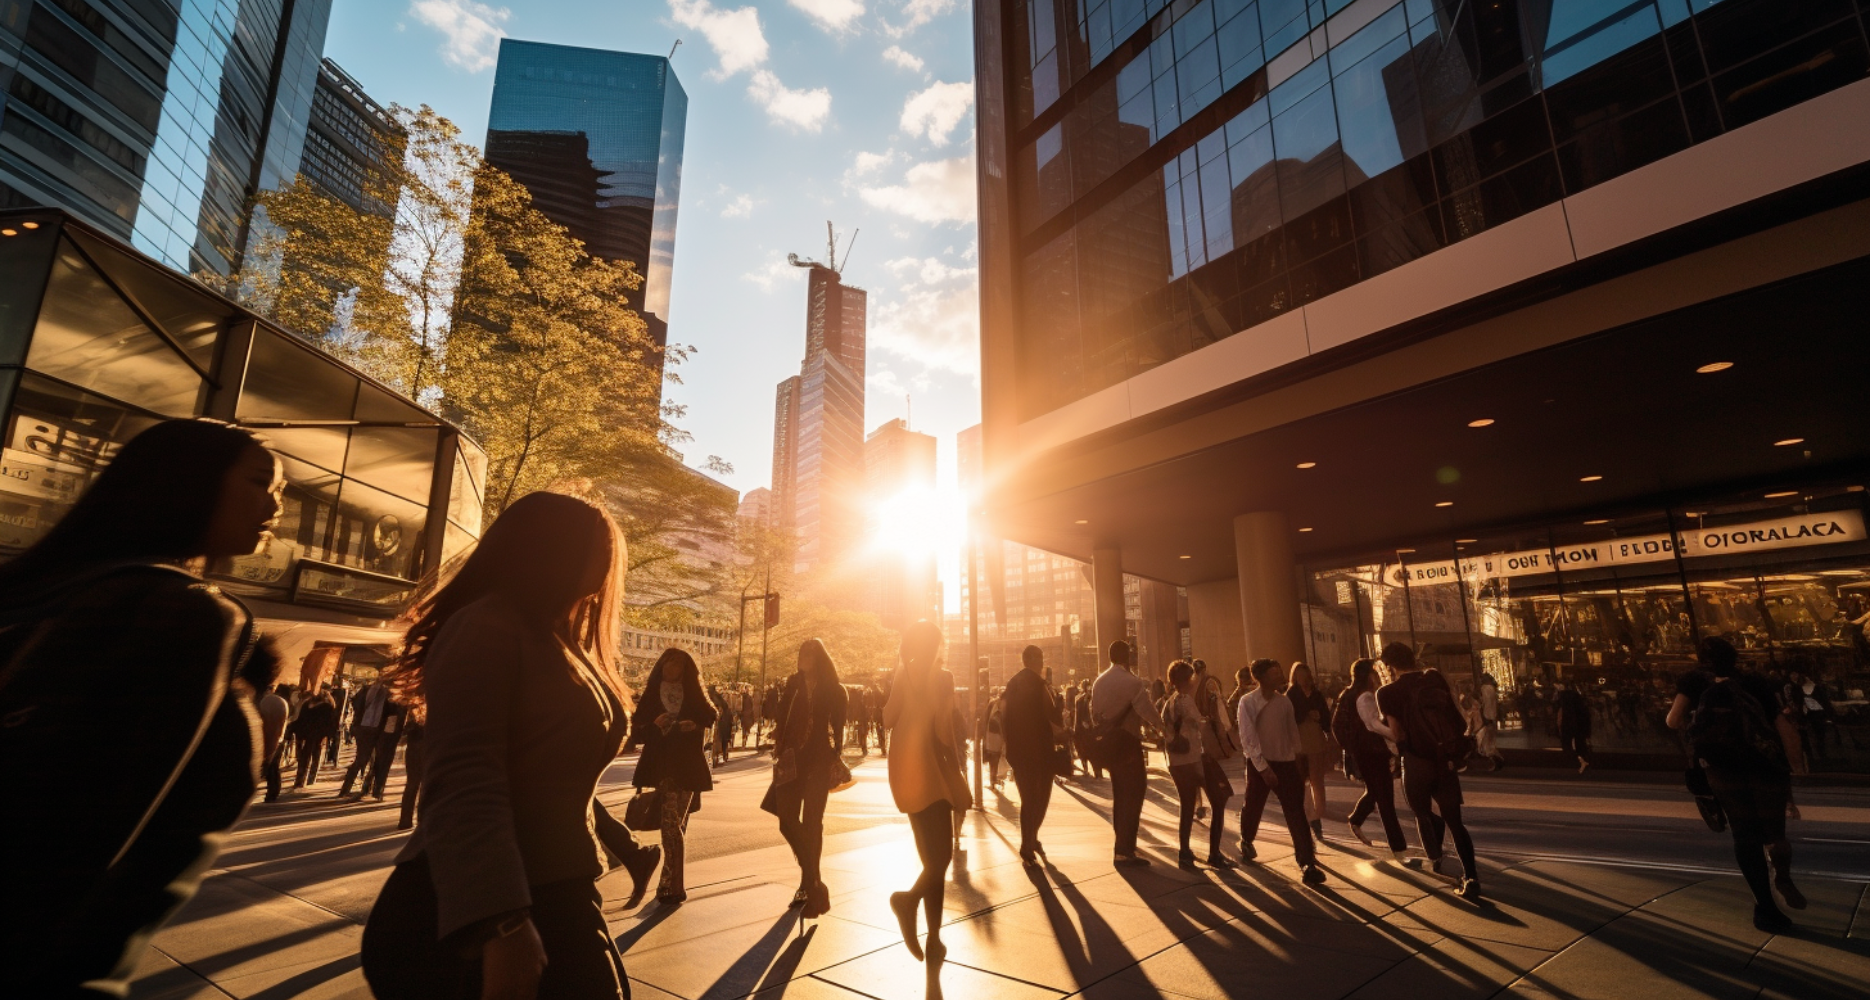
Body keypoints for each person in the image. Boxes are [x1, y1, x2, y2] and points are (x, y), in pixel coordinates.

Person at [0, 419, 283, 996]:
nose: (275, 504)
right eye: (260, 481)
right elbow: (104, 838)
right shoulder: (185, 610)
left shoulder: (40, 589)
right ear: (188, 482)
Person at [361, 492, 633, 1000]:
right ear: (548, 549)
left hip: (559, 890)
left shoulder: (560, 640)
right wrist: (501, 925)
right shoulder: (488, 625)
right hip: (484, 908)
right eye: (597, 545)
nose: (610, 559)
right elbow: (465, 782)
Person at [1667, 637, 1803, 933]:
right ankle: (1781, 872)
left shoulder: (1693, 680)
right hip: (1763, 766)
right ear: (1736, 656)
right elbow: (1781, 726)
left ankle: (1765, 909)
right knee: (1774, 832)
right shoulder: (1755, 681)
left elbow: (1672, 719)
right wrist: (1795, 766)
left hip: (1722, 768)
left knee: (1744, 836)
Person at [883, 620, 970, 965]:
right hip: (932, 767)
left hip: (904, 768)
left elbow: (888, 718)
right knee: (942, 857)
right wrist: (957, 772)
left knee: (931, 859)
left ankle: (934, 938)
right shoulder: (943, 677)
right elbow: (944, 730)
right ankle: (908, 902)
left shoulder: (904, 673)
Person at [1377, 642, 1480, 900]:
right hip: (1444, 759)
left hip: (1416, 760)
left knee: (1422, 813)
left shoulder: (1387, 692)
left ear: (1390, 666)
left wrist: (1377, 730)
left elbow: (1397, 732)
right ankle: (1471, 877)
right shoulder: (1434, 678)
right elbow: (1455, 717)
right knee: (1455, 821)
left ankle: (1435, 860)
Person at [765, 638, 847, 918]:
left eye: (811, 653)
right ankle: (814, 879)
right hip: (791, 760)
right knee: (786, 821)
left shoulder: (835, 690)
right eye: (802, 652)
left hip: (819, 763)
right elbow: (779, 716)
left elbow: (838, 731)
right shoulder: (792, 685)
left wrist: (835, 756)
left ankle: (807, 886)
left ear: (820, 658)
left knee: (813, 823)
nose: (804, 657)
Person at [633, 648, 717, 905]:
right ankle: (673, 886)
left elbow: (710, 715)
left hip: (688, 766)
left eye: (679, 664)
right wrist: (655, 725)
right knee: (671, 826)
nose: (673, 668)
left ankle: (669, 882)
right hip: (663, 767)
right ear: (661, 665)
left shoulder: (692, 691)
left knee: (675, 826)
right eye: (669, 662)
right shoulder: (652, 692)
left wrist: (694, 724)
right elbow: (639, 730)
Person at [1236, 659, 1324, 885]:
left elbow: (1292, 732)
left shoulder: (1284, 702)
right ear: (1261, 677)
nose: (1280, 676)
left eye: (1279, 672)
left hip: (1286, 763)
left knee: (1295, 811)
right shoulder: (1248, 702)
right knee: (1254, 804)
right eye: (1274, 673)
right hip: (1260, 764)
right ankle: (1246, 838)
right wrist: (1263, 768)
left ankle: (1307, 863)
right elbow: (1248, 738)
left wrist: (1297, 759)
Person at [1091, 640, 1166, 867]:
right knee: (1134, 793)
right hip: (1128, 743)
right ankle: (1124, 850)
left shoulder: (1099, 682)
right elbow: (1147, 711)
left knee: (1119, 793)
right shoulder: (1132, 682)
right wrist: (1165, 729)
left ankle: (1121, 844)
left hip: (1108, 745)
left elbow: (1096, 715)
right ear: (1128, 657)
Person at [1336, 659, 1407, 858]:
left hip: (1375, 751)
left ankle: (1357, 819)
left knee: (1378, 792)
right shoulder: (1356, 696)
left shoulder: (1360, 695)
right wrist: (1352, 749)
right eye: (1374, 673)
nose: (1378, 676)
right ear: (1366, 675)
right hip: (1367, 753)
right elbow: (1339, 726)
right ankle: (1398, 846)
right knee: (1384, 797)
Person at [1002, 645, 1062, 867]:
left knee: (1028, 798)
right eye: (1040, 658)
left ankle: (1031, 840)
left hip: (1018, 750)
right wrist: (1063, 731)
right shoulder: (1039, 684)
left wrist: (1008, 743)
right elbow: (1052, 713)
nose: (1041, 662)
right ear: (1033, 660)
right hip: (1040, 749)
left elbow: (1003, 713)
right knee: (1040, 798)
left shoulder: (1012, 683)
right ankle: (1027, 845)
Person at [1288, 662, 1331, 840]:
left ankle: (1318, 815)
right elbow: (1289, 718)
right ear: (1295, 677)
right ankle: (1307, 815)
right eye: (1300, 675)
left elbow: (1326, 716)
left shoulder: (1317, 694)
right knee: (1301, 781)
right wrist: (1306, 714)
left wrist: (1320, 718)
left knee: (1317, 780)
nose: (1304, 679)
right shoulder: (1291, 694)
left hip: (1315, 740)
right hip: (1299, 742)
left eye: (1306, 675)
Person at [339, 678, 393, 798]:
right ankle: (371, 789)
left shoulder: (366, 690)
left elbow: (356, 706)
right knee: (378, 761)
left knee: (361, 758)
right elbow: (393, 713)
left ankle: (346, 788)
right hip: (380, 730)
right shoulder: (391, 693)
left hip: (363, 727)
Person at [292, 686, 339, 789]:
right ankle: (310, 779)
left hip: (307, 735)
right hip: (319, 736)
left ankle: (300, 780)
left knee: (305, 757)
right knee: (315, 757)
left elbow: (299, 720)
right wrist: (329, 735)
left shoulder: (306, 705)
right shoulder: (327, 707)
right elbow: (331, 723)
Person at [258, 681, 292, 803]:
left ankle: (271, 791)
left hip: (265, 736)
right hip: (279, 738)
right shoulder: (284, 703)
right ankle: (273, 792)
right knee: (274, 766)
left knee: (268, 766)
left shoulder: (266, 701)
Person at [1556, 682, 1593, 774]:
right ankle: (1582, 762)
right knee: (1580, 745)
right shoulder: (1580, 707)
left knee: (1568, 745)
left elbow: (1561, 720)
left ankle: (1576, 763)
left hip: (1569, 727)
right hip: (1578, 728)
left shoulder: (1566, 708)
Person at [1475, 673, 1505, 770]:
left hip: (1486, 717)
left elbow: (1486, 704)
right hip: (1491, 717)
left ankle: (1493, 761)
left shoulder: (1485, 689)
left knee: (1485, 741)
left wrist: (1485, 717)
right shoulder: (1491, 689)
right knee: (1490, 740)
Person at [983, 691, 1007, 788]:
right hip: (996, 735)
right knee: (995, 758)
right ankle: (993, 780)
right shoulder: (1000, 705)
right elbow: (999, 721)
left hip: (990, 734)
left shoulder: (992, 703)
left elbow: (985, 719)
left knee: (992, 758)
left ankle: (993, 780)